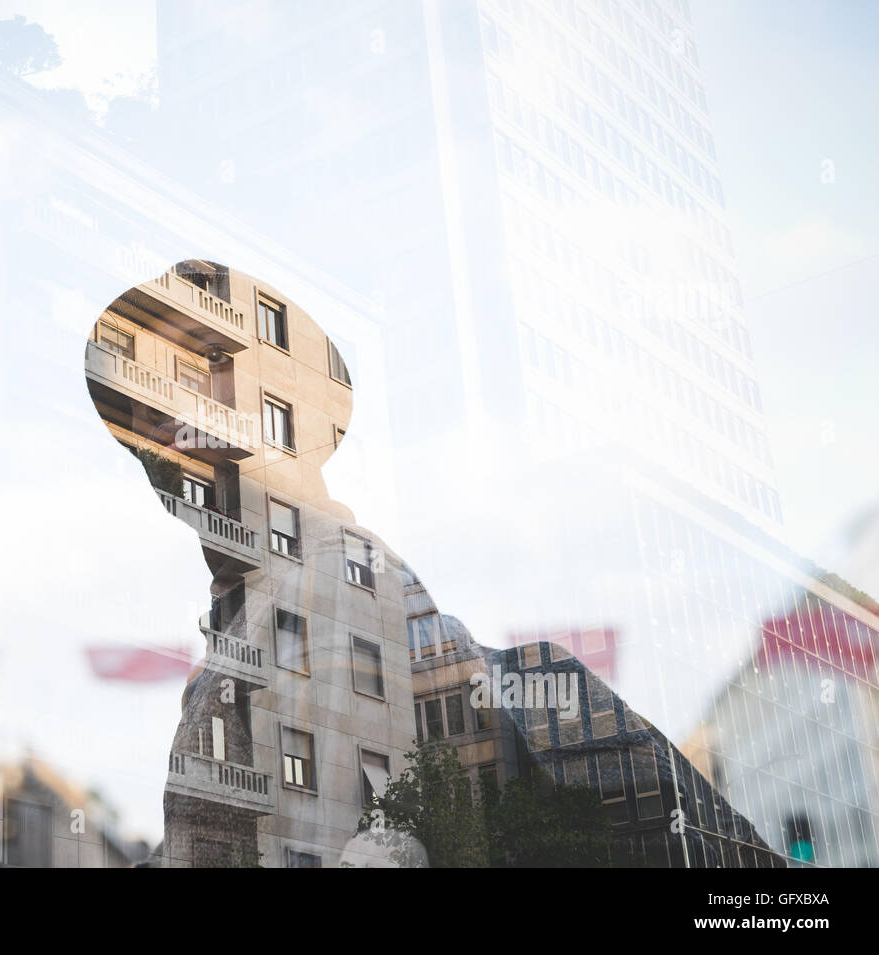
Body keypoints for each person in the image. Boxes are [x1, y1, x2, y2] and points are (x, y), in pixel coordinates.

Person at [85, 260, 779, 868]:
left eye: (204, 368)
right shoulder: (231, 650)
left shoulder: (348, 598)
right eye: (143, 407)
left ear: (292, 411)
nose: (169, 421)